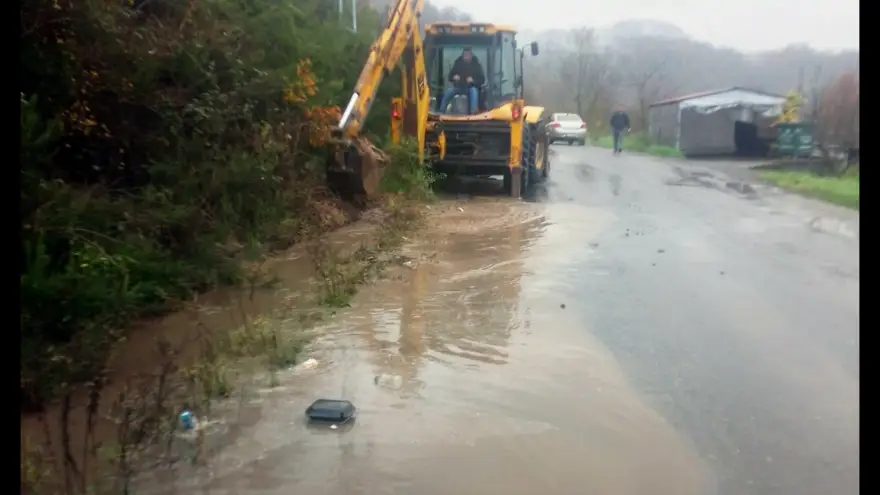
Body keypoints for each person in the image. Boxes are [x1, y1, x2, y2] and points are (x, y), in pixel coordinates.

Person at [438, 48, 485, 114]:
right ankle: (441, 111)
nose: (466, 56)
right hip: (459, 87)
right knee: (449, 91)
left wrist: (473, 81)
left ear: (471, 56)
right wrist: (454, 77)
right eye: (464, 55)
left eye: (467, 55)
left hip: (471, 87)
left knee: (474, 91)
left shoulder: (476, 65)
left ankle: (473, 112)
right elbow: (450, 77)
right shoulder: (458, 62)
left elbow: (482, 80)